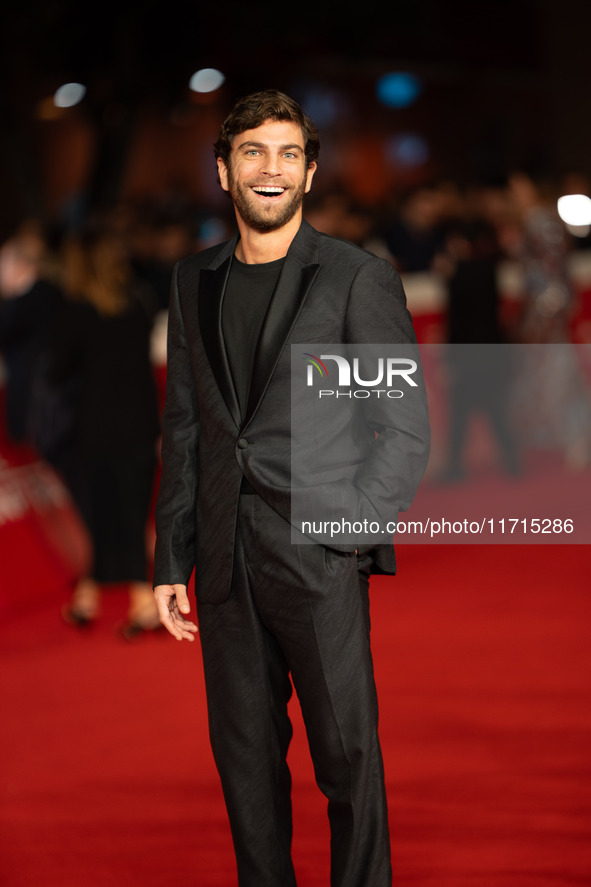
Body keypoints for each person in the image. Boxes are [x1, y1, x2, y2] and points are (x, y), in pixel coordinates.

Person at [153, 89, 430, 887]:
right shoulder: (190, 280)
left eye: (286, 154)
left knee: (347, 755)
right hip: (224, 560)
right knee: (245, 767)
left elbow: (403, 426)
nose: (268, 169)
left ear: (308, 174)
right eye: (251, 152)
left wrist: (347, 531)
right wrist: (173, 556)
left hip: (318, 554)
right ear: (223, 169)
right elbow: (186, 427)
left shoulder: (356, 278)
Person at [54, 224, 162, 636]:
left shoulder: (76, 309)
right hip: (138, 424)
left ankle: (139, 601)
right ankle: (89, 596)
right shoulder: (138, 301)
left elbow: (57, 370)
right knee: (129, 514)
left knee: (105, 516)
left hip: (96, 427)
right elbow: (144, 370)